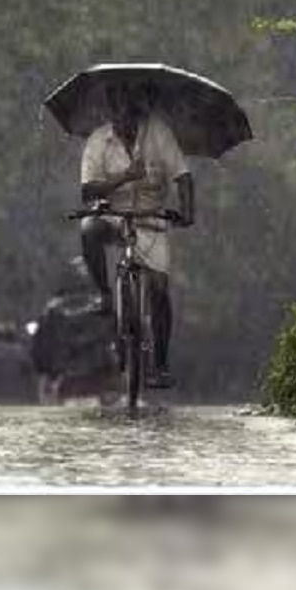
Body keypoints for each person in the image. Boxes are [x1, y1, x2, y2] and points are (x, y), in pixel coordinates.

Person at [79, 80, 195, 388]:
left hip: (151, 219)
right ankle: (104, 294)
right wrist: (124, 177)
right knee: (89, 228)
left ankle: (160, 363)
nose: (125, 119)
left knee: (159, 287)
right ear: (111, 112)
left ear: (140, 110)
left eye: (131, 112)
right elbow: (87, 190)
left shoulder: (159, 133)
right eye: (118, 111)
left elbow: (183, 177)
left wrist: (187, 212)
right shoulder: (97, 140)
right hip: (113, 215)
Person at [30, 256, 117, 404]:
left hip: (64, 379)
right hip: (98, 379)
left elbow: (41, 349)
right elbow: (116, 341)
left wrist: (46, 375)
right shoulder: (104, 307)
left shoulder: (52, 310)